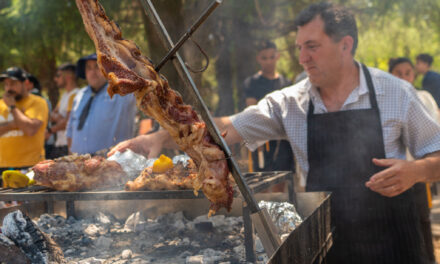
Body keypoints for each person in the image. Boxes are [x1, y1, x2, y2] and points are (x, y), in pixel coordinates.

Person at [108, 3, 440, 263]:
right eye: (298, 47)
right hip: (327, 241)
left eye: (312, 46)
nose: (302, 58)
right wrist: (160, 137)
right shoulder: (290, 102)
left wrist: (418, 170)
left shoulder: (396, 93)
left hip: (395, 241)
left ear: (345, 45)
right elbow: (227, 127)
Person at [389, 57, 437, 263]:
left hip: (419, 171)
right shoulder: (386, 99)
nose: (403, 77)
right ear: (390, 75)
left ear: (414, 75)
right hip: (395, 172)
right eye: (398, 73)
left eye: (407, 73)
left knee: (423, 219)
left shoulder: (424, 96)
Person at [66, 53, 136, 155]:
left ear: (108, 70)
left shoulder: (121, 93)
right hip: (79, 163)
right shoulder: (79, 96)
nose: (93, 72)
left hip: (112, 164)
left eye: (97, 67)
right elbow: (70, 131)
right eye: (88, 68)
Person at [243, 40, 295, 176]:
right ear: (258, 59)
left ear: (277, 56)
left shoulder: (287, 83)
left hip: (283, 141)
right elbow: (252, 110)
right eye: (264, 58)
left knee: (283, 179)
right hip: (262, 140)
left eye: (272, 57)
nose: (269, 61)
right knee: (262, 180)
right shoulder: (252, 83)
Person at [0, 67, 48, 176]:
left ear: (25, 83)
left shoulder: (38, 102)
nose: (8, 88)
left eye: (13, 83)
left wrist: (12, 108)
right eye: (6, 84)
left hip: (31, 166)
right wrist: (15, 123)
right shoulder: (1, 104)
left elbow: (30, 130)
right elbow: (25, 125)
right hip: (2, 166)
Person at [47, 63, 79, 158]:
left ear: (68, 76)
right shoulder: (65, 95)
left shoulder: (76, 94)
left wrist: (50, 130)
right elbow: (51, 115)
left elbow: (68, 122)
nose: (55, 79)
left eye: (58, 75)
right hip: (60, 145)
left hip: (68, 146)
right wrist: (62, 119)